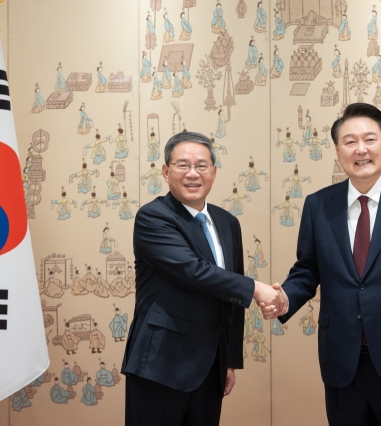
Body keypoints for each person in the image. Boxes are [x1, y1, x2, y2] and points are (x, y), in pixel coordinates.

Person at [262, 103, 381, 426]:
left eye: (369, 139)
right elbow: (307, 270)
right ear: (338, 150)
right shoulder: (318, 205)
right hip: (343, 361)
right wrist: (285, 297)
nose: (361, 149)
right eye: (350, 141)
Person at [121, 131, 283, 426]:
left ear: (214, 172)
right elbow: (193, 271)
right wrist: (257, 289)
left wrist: (229, 361)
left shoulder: (227, 222)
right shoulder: (153, 217)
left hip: (210, 368)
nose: (193, 174)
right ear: (166, 172)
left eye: (202, 166)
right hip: (161, 365)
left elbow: (230, 295)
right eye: (182, 165)